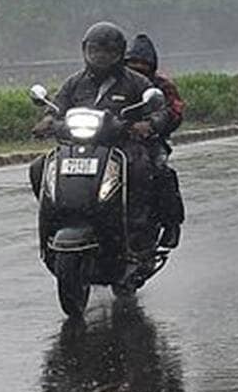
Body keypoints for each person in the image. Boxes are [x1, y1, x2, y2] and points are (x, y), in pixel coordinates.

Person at [31, 22, 171, 233]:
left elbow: (161, 110)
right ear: (85, 50)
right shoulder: (75, 82)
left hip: (121, 144)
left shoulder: (136, 82)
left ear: (120, 53)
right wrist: (48, 120)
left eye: (108, 51)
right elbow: (57, 107)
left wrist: (147, 124)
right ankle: (55, 214)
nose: (100, 56)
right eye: (94, 50)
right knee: (39, 167)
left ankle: (139, 221)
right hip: (78, 146)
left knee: (141, 167)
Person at [124, 34, 186, 249]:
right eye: (133, 63)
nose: (137, 67)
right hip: (113, 140)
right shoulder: (114, 82)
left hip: (149, 142)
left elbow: (174, 111)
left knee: (160, 173)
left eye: (143, 63)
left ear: (152, 65)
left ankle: (171, 224)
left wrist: (152, 124)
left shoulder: (162, 86)